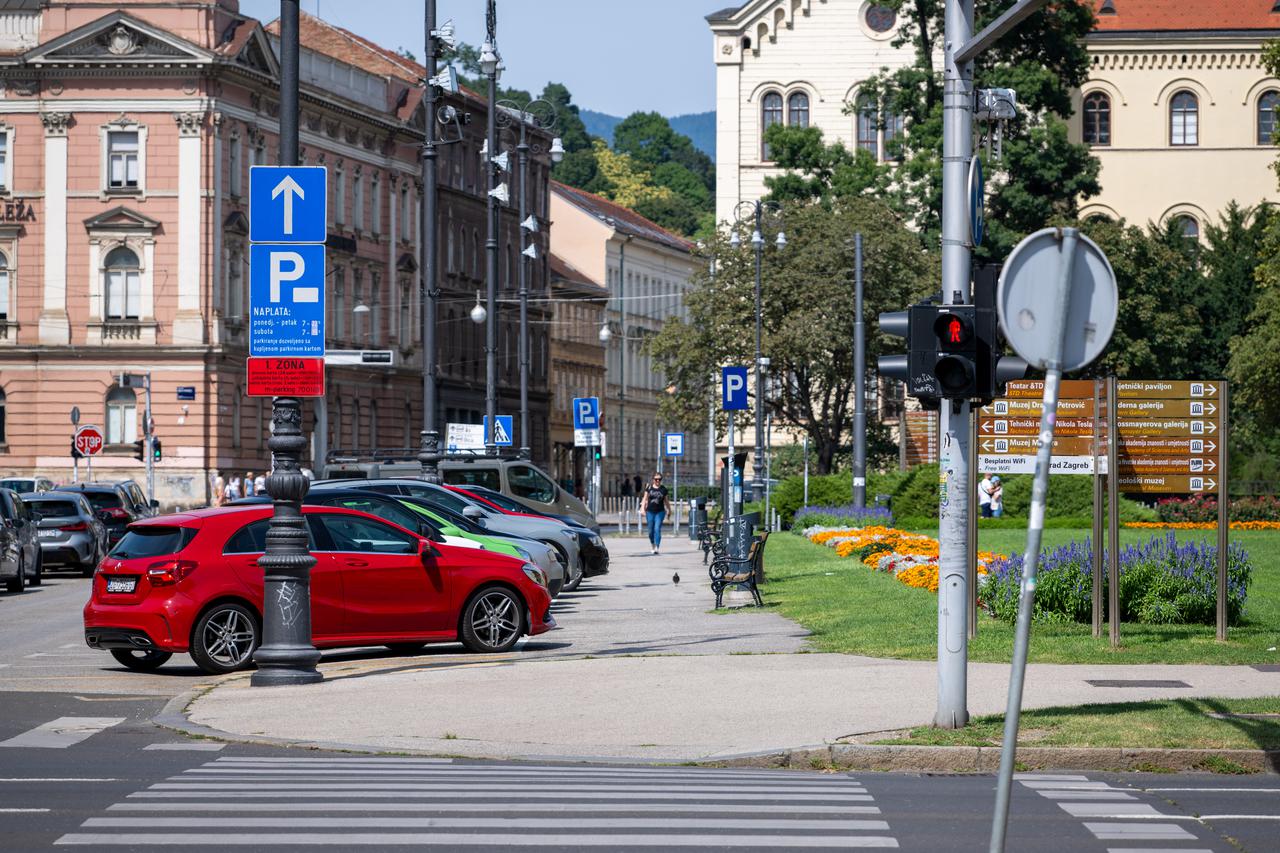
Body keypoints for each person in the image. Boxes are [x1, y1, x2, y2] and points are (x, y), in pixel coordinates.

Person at [642, 472, 671, 555]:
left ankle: (657, 547)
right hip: (649, 511)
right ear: (653, 479)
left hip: (660, 512)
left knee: (657, 529)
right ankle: (653, 545)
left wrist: (669, 510)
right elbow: (645, 499)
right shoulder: (649, 488)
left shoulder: (663, 489)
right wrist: (643, 509)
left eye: (659, 479)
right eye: (656, 479)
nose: (658, 481)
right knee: (650, 531)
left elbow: (666, 501)